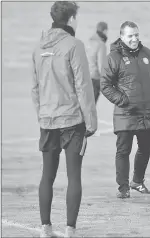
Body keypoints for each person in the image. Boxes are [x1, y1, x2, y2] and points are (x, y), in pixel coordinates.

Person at [31, 1, 97, 237]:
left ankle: (45, 228)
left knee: (46, 176)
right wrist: (91, 120)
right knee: (73, 176)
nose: (77, 22)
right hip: (72, 122)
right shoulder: (74, 45)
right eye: (76, 18)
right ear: (70, 19)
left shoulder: (38, 47)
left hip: (47, 121)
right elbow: (83, 86)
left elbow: (35, 88)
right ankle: (70, 230)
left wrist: (43, 114)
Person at [100, 21, 150, 199]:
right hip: (125, 114)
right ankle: (123, 188)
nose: (134, 38)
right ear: (122, 37)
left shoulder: (147, 53)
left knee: (146, 147)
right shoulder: (114, 57)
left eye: (136, 35)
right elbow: (105, 85)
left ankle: (137, 181)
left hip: (147, 112)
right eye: (130, 36)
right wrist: (122, 100)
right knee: (123, 151)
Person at [87, 21, 108, 104]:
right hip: (95, 79)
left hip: (85, 77)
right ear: (105, 31)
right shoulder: (101, 45)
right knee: (91, 107)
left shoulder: (89, 42)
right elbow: (101, 65)